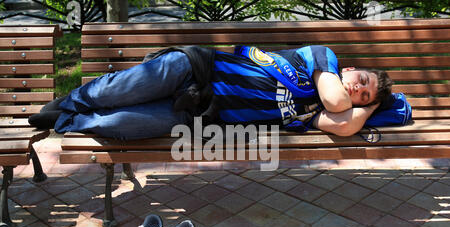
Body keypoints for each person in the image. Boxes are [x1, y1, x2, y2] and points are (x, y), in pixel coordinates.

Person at [29, 45, 393, 140]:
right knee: (118, 92)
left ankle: (68, 120)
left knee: (118, 124)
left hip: (199, 115)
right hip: (194, 70)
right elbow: (336, 101)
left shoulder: (313, 115)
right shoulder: (320, 59)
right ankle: (69, 102)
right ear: (348, 69)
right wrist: (355, 102)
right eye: (361, 80)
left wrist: (371, 109)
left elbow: (343, 124)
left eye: (364, 95)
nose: (357, 89)